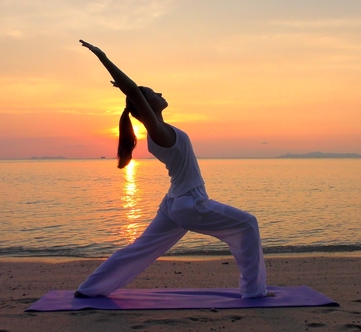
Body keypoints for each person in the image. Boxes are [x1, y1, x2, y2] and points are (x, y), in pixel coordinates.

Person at [74, 40, 269, 299]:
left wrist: (129, 89)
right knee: (248, 224)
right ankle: (254, 293)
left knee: (140, 248)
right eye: (154, 93)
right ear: (146, 105)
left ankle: (88, 290)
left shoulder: (162, 131)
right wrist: (103, 57)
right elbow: (133, 91)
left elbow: (135, 93)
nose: (161, 93)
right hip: (190, 202)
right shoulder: (158, 132)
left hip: (175, 203)